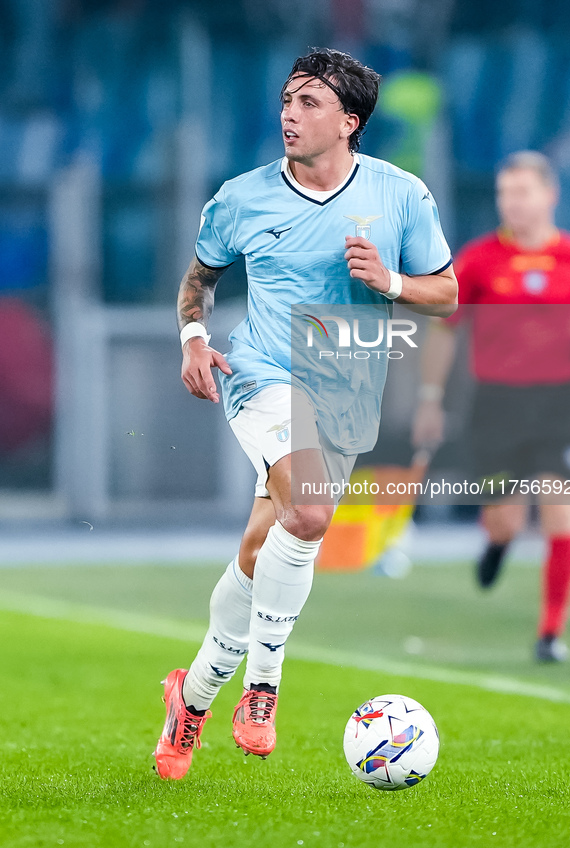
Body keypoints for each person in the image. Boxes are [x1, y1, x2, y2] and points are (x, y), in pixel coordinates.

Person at [154, 48, 457, 780]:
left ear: (349, 121)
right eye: (287, 99)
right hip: (260, 373)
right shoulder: (241, 196)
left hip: (345, 386)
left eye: (310, 102)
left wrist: (388, 281)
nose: (289, 113)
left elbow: (445, 294)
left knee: (266, 547)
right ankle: (262, 687)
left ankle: (189, 695)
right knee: (313, 516)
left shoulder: (400, 196)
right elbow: (200, 279)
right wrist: (194, 338)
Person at [413, 150, 570, 663]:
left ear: (549, 195)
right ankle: (497, 541)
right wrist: (430, 398)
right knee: (506, 518)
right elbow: (444, 331)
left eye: (522, 192)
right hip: (497, 406)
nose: (511, 203)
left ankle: (550, 634)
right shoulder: (479, 259)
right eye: (504, 194)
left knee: (561, 512)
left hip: (561, 405)